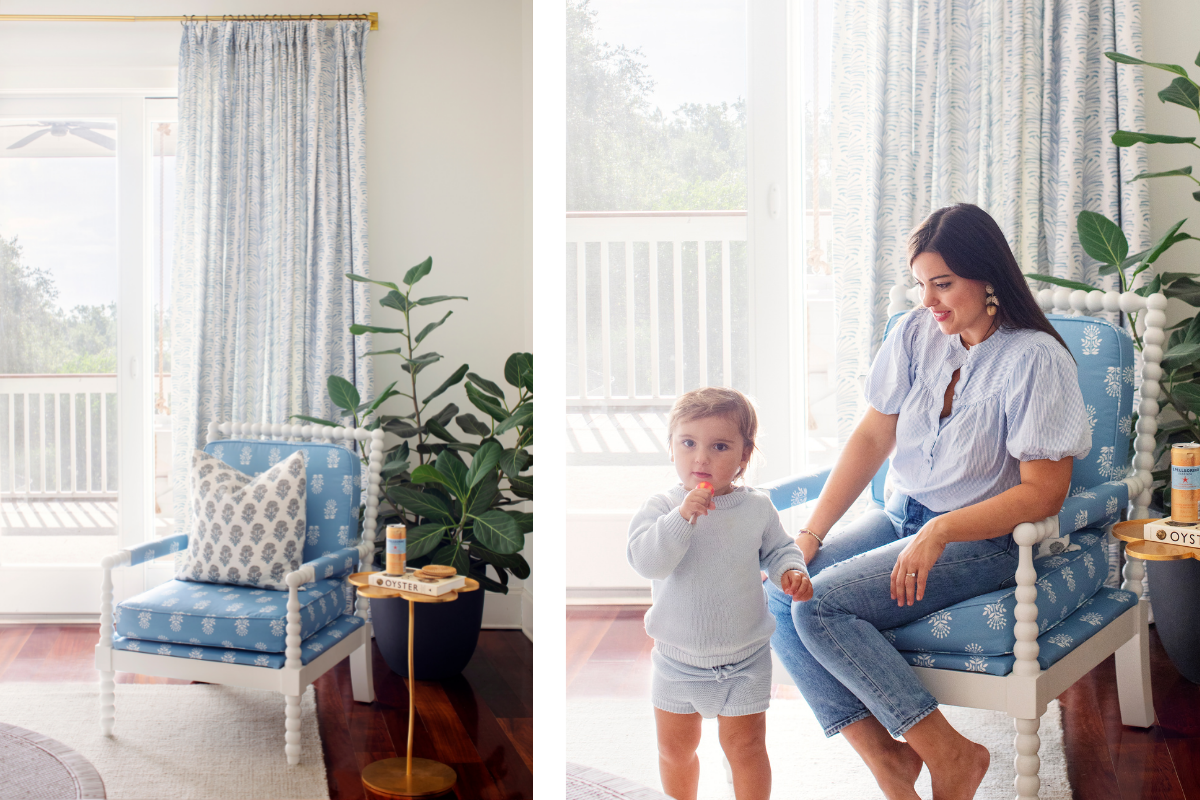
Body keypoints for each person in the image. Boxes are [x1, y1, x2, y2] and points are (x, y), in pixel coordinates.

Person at [767, 203, 1091, 800]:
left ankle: (951, 755)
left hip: (982, 540)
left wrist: (940, 532)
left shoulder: (1035, 360)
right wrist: (809, 536)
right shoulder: (917, 333)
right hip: (901, 516)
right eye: (921, 284)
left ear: (988, 276)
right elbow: (871, 436)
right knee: (780, 585)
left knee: (820, 608)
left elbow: (1045, 491)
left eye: (943, 284)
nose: (930, 300)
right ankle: (889, 761)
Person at [627, 387, 812, 800]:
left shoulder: (756, 508)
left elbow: (780, 550)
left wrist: (791, 571)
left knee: (746, 749)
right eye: (688, 443)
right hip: (677, 663)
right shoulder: (660, 508)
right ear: (671, 447)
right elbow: (647, 562)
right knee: (674, 750)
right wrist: (682, 517)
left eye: (720, 446)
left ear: (744, 456)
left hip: (744, 660)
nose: (701, 458)